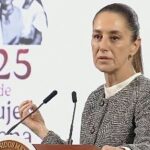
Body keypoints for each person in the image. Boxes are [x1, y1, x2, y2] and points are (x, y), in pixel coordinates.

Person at [18, 3, 150, 150]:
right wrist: (41, 130)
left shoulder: (146, 92)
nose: (103, 46)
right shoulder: (94, 99)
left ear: (134, 45)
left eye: (114, 37)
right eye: (97, 36)